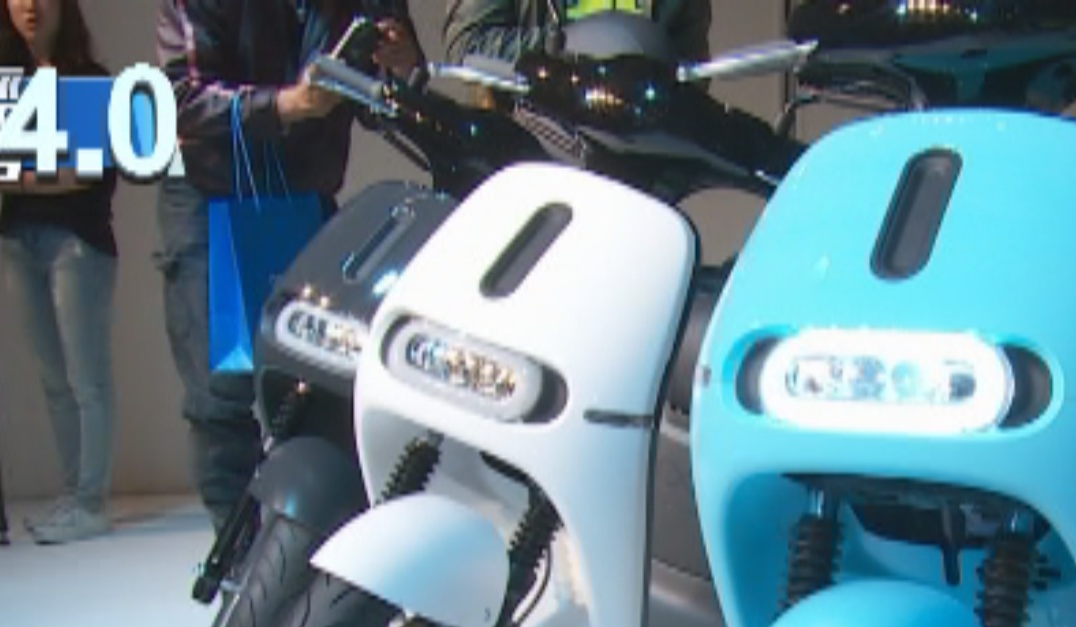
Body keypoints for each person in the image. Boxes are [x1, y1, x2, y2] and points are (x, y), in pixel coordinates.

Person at [155, 0, 424, 536]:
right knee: (222, 396)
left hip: (304, 193)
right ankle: (240, 560)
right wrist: (286, 105)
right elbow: (179, 99)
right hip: (214, 195)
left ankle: (306, 550)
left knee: (323, 384)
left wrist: (405, 69)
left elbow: (383, 106)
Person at [0, 0, 120, 544]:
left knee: (86, 378)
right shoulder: (1, 81)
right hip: (19, 239)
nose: (29, 6)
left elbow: (86, 172)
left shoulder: (89, 81)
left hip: (76, 243)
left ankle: (90, 502)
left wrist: (9, 174)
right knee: (54, 380)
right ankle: (73, 493)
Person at [440, 0, 712, 63]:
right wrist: (560, 48)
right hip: (532, 141)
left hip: (639, 154)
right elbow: (468, 44)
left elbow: (690, 65)